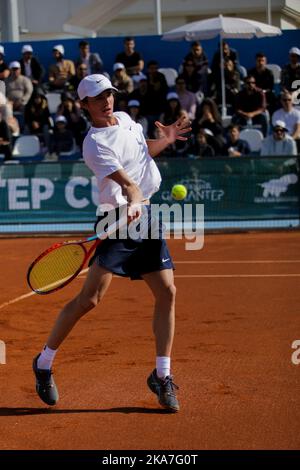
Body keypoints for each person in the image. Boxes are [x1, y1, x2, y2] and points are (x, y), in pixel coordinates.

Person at [32, 73, 191, 412]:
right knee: (90, 300)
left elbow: (142, 153)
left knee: (167, 291)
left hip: (145, 218)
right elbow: (128, 184)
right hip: (116, 220)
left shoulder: (128, 121)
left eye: (109, 94)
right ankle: (44, 362)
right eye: (97, 97)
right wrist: (132, 199)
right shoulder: (94, 143)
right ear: (84, 104)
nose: (106, 101)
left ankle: (162, 376)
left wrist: (166, 140)